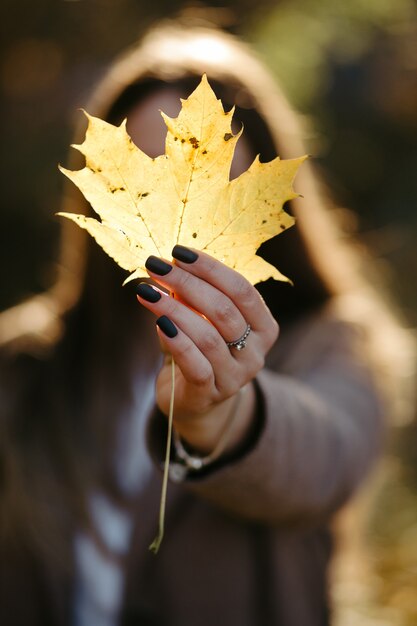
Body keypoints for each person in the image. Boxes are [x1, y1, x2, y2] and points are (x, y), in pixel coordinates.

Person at [0, 14, 408, 626]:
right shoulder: (26, 362)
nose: (179, 207)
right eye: (145, 173)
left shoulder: (332, 343)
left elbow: (323, 459)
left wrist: (222, 414)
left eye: (216, 178)